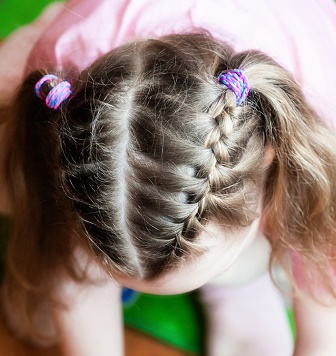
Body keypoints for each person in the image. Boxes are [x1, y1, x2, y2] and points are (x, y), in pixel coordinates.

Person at [1, 1, 336, 355]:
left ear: (267, 160)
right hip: (91, 34)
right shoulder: (65, 77)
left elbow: (323, 332)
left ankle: (237, 287)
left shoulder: (315, 132)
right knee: (17, 175)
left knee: (298, 242)